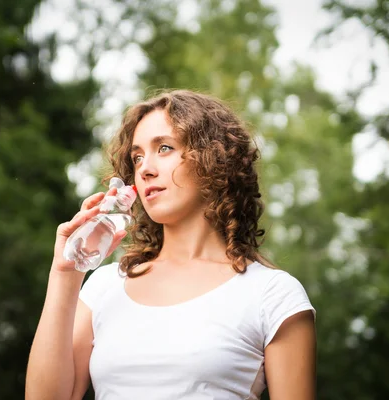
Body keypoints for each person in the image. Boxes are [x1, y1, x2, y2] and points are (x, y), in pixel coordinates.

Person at [26, 90, 316, 400]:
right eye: (137, 156)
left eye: (164, 148)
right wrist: (65, 273)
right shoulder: (104, 288)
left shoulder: (272, 295)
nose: (145, 168)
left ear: (213, 160)